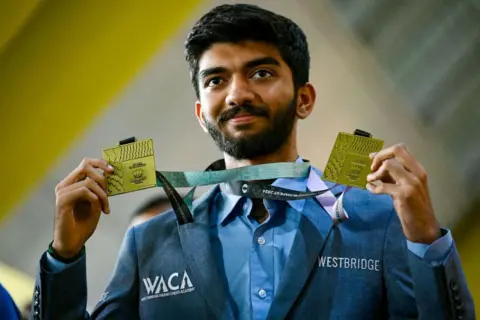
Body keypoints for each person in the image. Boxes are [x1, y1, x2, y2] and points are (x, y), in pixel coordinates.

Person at [31, 4, 474, 320]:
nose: (238, 93)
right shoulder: (149, 243)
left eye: (261, 73)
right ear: (201, 113)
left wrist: (426, 240)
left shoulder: (380, 224)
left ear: (304, 99)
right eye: (216, 80)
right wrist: (65, 257)